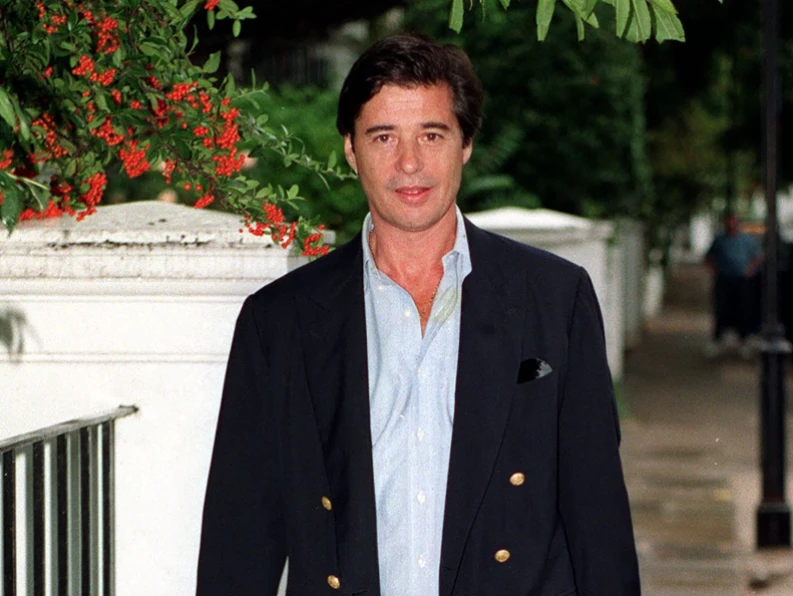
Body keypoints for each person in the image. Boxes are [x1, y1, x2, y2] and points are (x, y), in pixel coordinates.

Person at [196, 33, 640, 596]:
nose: (409, 163)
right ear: (351, 149)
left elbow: (598, 521)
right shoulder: (279, 321)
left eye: (432, 135)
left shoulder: (554, 299)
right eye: (384, 137)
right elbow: (240, 542)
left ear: (465, 144)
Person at [704, 212, 763, 358]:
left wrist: (750, 270)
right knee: (721, 310)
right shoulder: (720, 240)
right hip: (724, 279)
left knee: (743, 311)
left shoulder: (746, 240)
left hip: (741, 280)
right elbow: (708, 257)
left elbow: (757, 256)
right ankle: (717, 340)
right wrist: (714, 270)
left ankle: (743, 341)